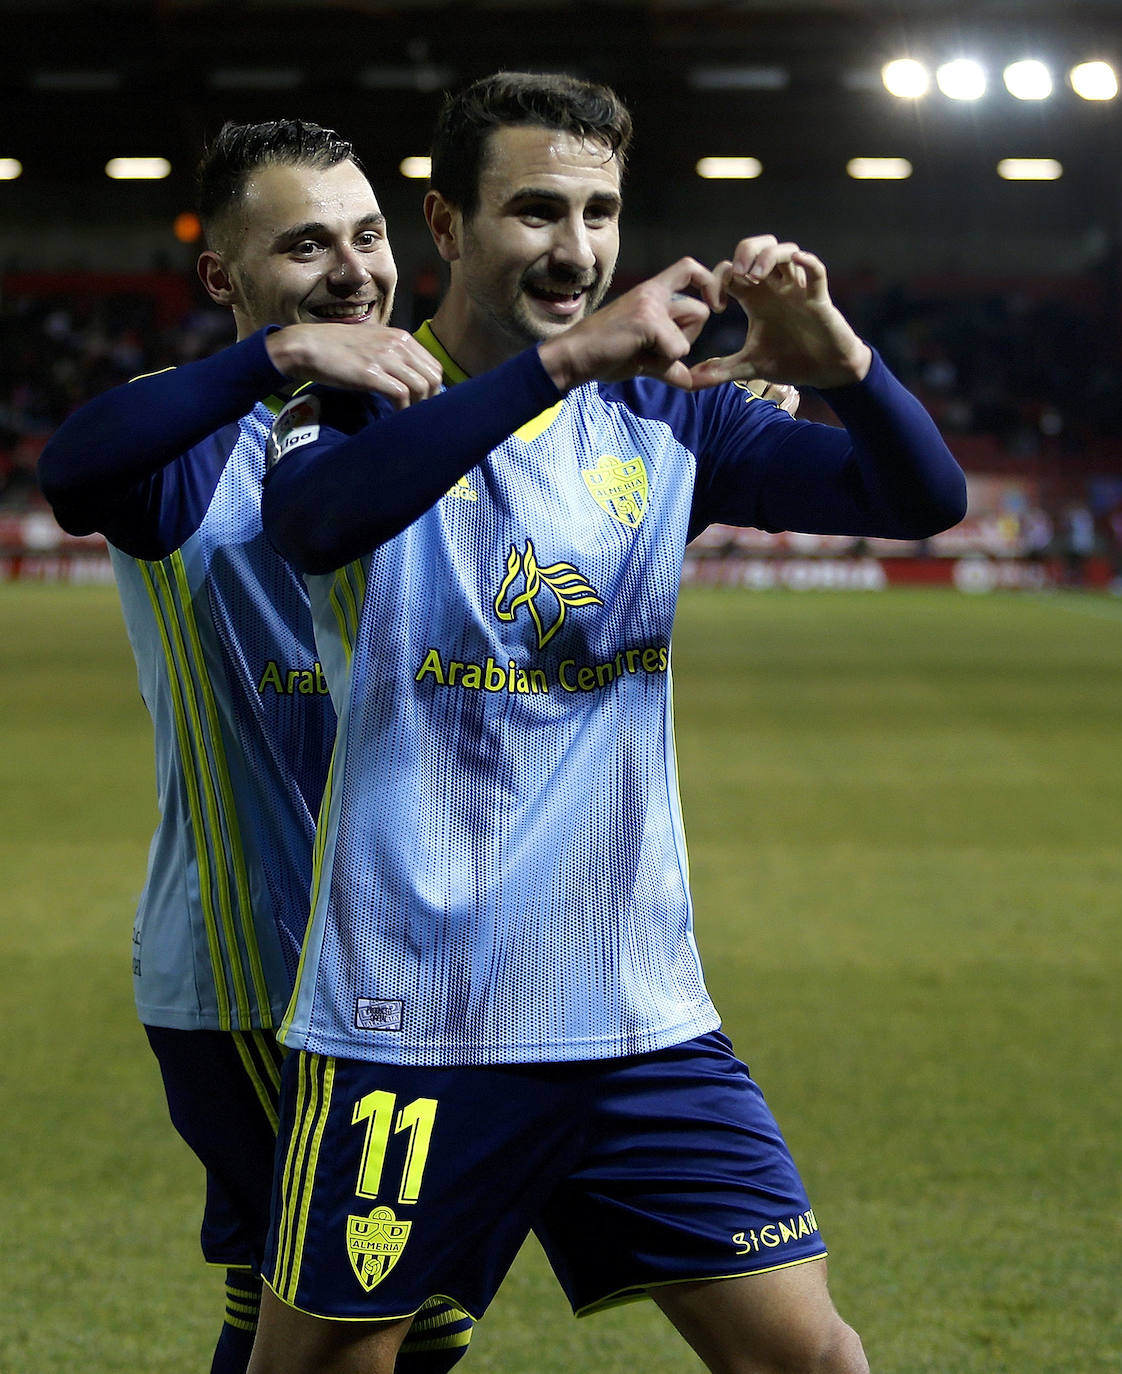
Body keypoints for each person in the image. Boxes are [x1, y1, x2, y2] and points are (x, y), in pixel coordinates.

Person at [250, 72, 967, 1374]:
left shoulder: (665, 414)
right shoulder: (362, 399)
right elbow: (312, 524)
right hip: (418, 1020)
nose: (574, 249)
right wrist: (560, 363)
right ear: (448, 226)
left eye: (598, 212)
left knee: (810, 1357)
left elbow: (919, 498)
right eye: (534, 210)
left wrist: (848, 369)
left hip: (637, 1014)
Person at [36, 119, 474, 1374]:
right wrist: (281, 355)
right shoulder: (183, 451)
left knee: (280, 1302)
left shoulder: (422, 423)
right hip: (258, 974)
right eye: (303, 246)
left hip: (406, 964)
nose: (352, 269)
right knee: (387, 1314)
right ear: (223, 279)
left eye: (369, 234)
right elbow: (74, 468)